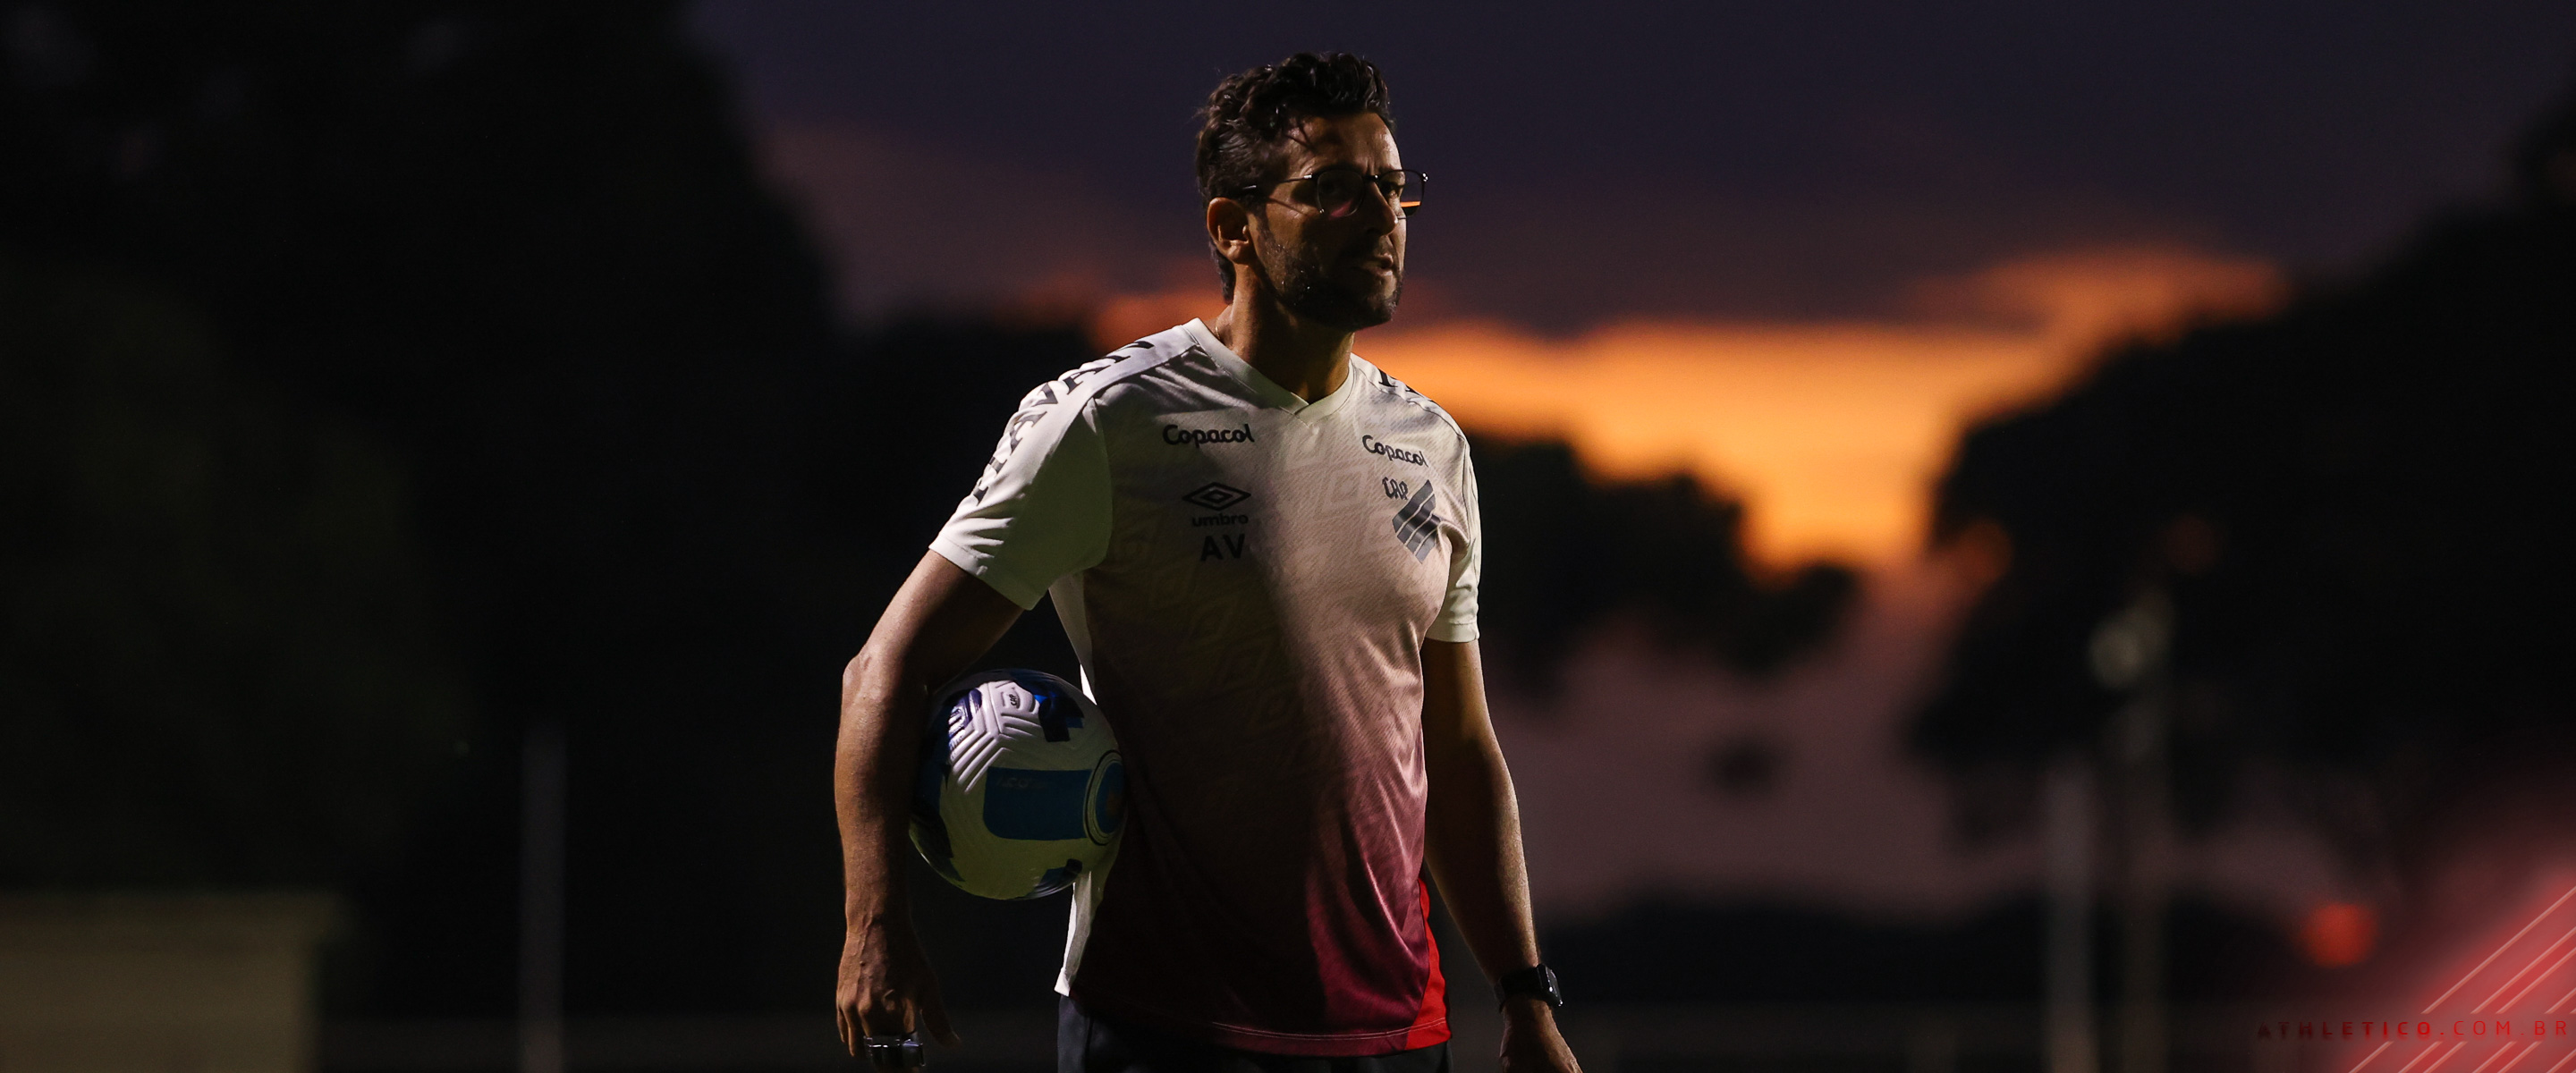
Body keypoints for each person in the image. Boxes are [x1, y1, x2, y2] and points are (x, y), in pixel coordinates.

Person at [834, 52, 1582, 1073]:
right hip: (1163, 1024)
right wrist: (874, 923)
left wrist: (1525, 995)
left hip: (1397, 1031)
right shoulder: (1107, 421)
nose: (1380, 215)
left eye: (1391, 185)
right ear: (1234, 228)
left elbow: (1456, 750)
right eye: (1333, 189)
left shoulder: (1432, 446)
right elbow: (885, 669)